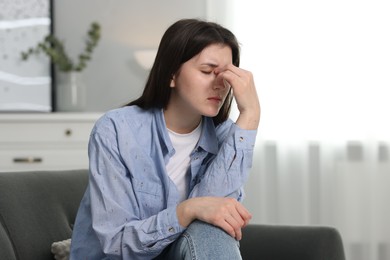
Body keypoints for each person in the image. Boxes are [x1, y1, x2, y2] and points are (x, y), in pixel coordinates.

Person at [70, 18, 260, 260]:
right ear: (171, 74)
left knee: (212, 230)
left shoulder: (226, 136)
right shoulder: (117, 130)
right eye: (206, 71)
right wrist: (188, 210)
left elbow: (215, 217)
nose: (219, 84)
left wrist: (251, 114)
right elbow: (116, 243)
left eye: (227, 75)